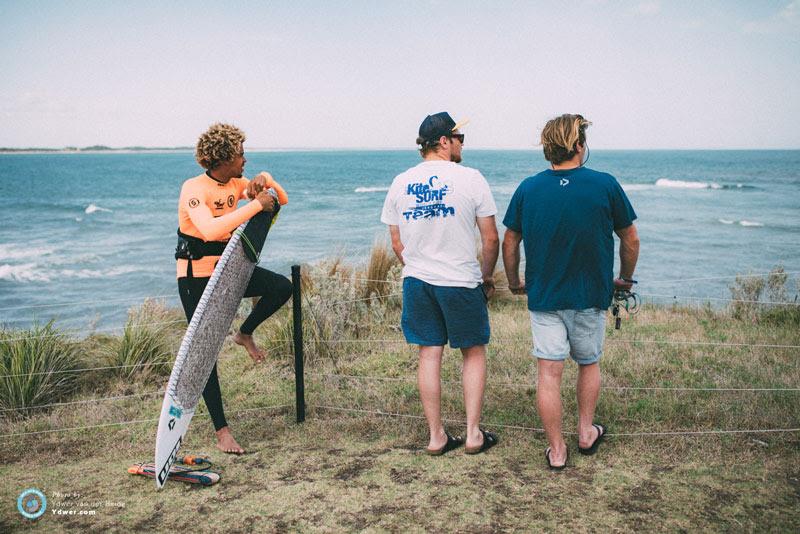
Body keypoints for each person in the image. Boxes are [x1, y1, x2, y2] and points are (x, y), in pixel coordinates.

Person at [502, 114, 639, 470]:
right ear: (579, 146)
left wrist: (515, 281)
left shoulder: (528, 188)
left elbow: (510, 239)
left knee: (548, 373)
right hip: (590, 294)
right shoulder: (605, 184)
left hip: (545, 297)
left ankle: (557, 451)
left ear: (548, 148)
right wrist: (624, 278)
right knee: (588, 363)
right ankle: (585, 433)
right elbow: (630, 238)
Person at [381, 112, 500, 455]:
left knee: (429, 355)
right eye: (460, 137)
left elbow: (396, 242)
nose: (463, 144)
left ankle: (436, 436)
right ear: (445, 141)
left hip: (417, 281)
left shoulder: (400, 182)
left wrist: (419, 265)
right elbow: (490, 239)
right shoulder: (472, 178)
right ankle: (474, 434)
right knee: (473, 352)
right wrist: (487, 276)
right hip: (461, 280)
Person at [176, 122, 292, 454]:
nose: (245, 159)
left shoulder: (237, 183)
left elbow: (280, 199)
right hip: (195, 276)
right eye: (241, 153)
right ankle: (222, 431)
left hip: (229, 271)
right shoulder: (194, 188)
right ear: (225, 157)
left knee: (281, 287)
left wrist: (265, 180)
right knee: (205, 351)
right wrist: (255, 205)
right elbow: (210, 231)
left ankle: (244, 333)